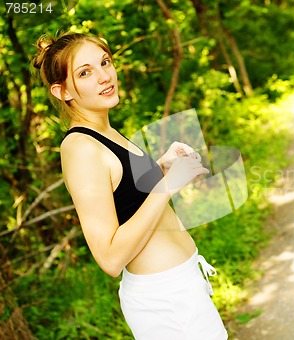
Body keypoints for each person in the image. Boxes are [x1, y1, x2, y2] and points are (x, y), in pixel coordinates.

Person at [32, 31, 228, 340]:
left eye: (105, 62)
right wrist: (168, 185)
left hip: (182, 286)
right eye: (85, 72)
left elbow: (125, 197)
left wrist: (160, 167)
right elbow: (109, 257)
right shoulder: (80, 148)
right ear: (62, 92)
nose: (104, 76)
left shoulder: (105, 130)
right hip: (165, 301)